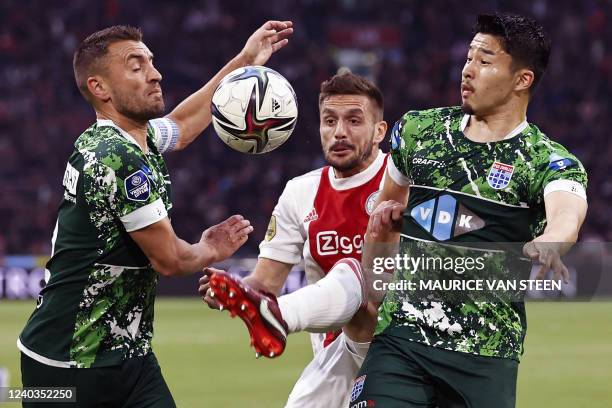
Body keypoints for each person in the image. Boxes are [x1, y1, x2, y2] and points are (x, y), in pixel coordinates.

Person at [18, 21, 293, 407]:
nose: (155, 73)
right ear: (100, 88)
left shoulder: (129, 138)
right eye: (136, 66)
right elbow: (171, 259)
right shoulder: (116, 158)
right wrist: (210, 249)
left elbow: (182, 125)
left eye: (151, 62)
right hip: (67, 361)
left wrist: (245, 60)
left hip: (130, 355)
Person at [350, 12, 588, 408]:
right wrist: (377, 267)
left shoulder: (546, 160)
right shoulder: (418, 132)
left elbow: (567, 214)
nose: (468, 70)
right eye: (468, 57)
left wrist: (550, 242)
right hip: (401, 342)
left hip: (485, 355)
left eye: (485, 61)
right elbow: (383, 218)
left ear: (522, 80)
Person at [199, 72, 391, 408]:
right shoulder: (300, 192)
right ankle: (278, 317)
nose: (339, 132)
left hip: (401, 345)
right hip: (338, 356)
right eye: (329, 121)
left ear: (379, 131)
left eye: (354, 120)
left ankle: (284, 316)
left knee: (359, 269)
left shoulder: (401, 182)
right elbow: (266, 282)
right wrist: (237, 292)